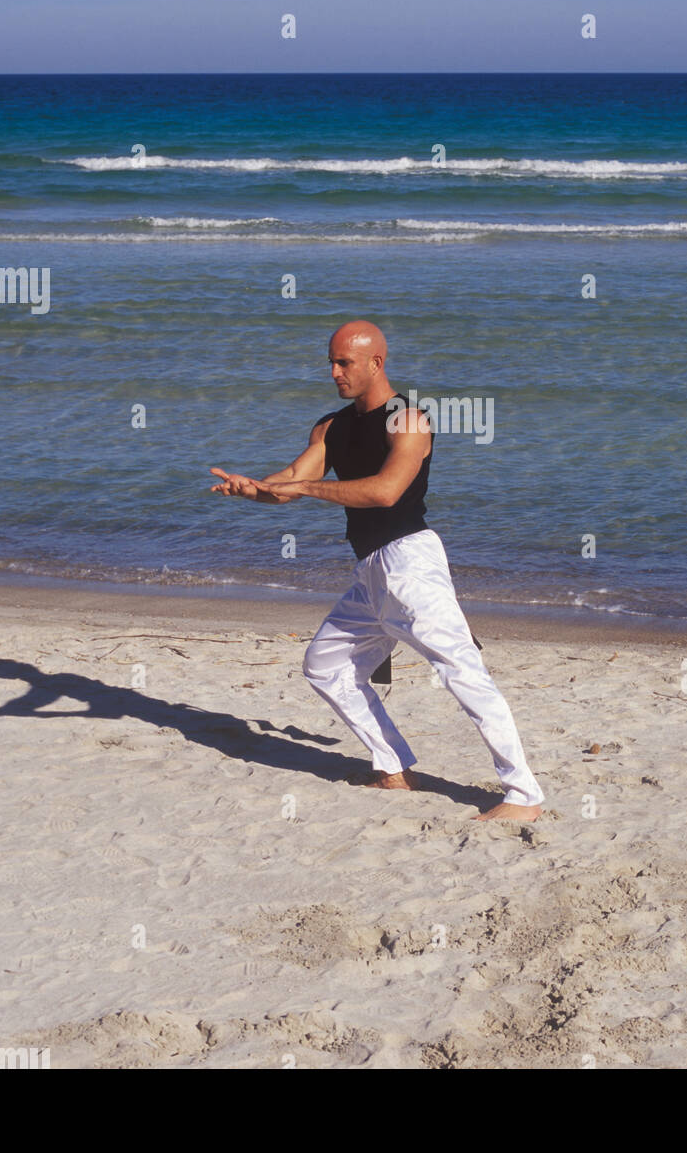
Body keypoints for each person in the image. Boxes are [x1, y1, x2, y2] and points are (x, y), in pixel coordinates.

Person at [209, 320, 544, 821]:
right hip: (369, 573)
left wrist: (302, 488)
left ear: (376, 363)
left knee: (461, 673)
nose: (334, 371)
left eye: (344, 362)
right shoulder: (332, 427)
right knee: (325, 665)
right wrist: (251, 487)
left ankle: (523, 794)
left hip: (411, 562)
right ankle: (393, 766)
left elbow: (385, 490)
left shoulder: (408, 420)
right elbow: (291, 482)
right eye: (331, 361)